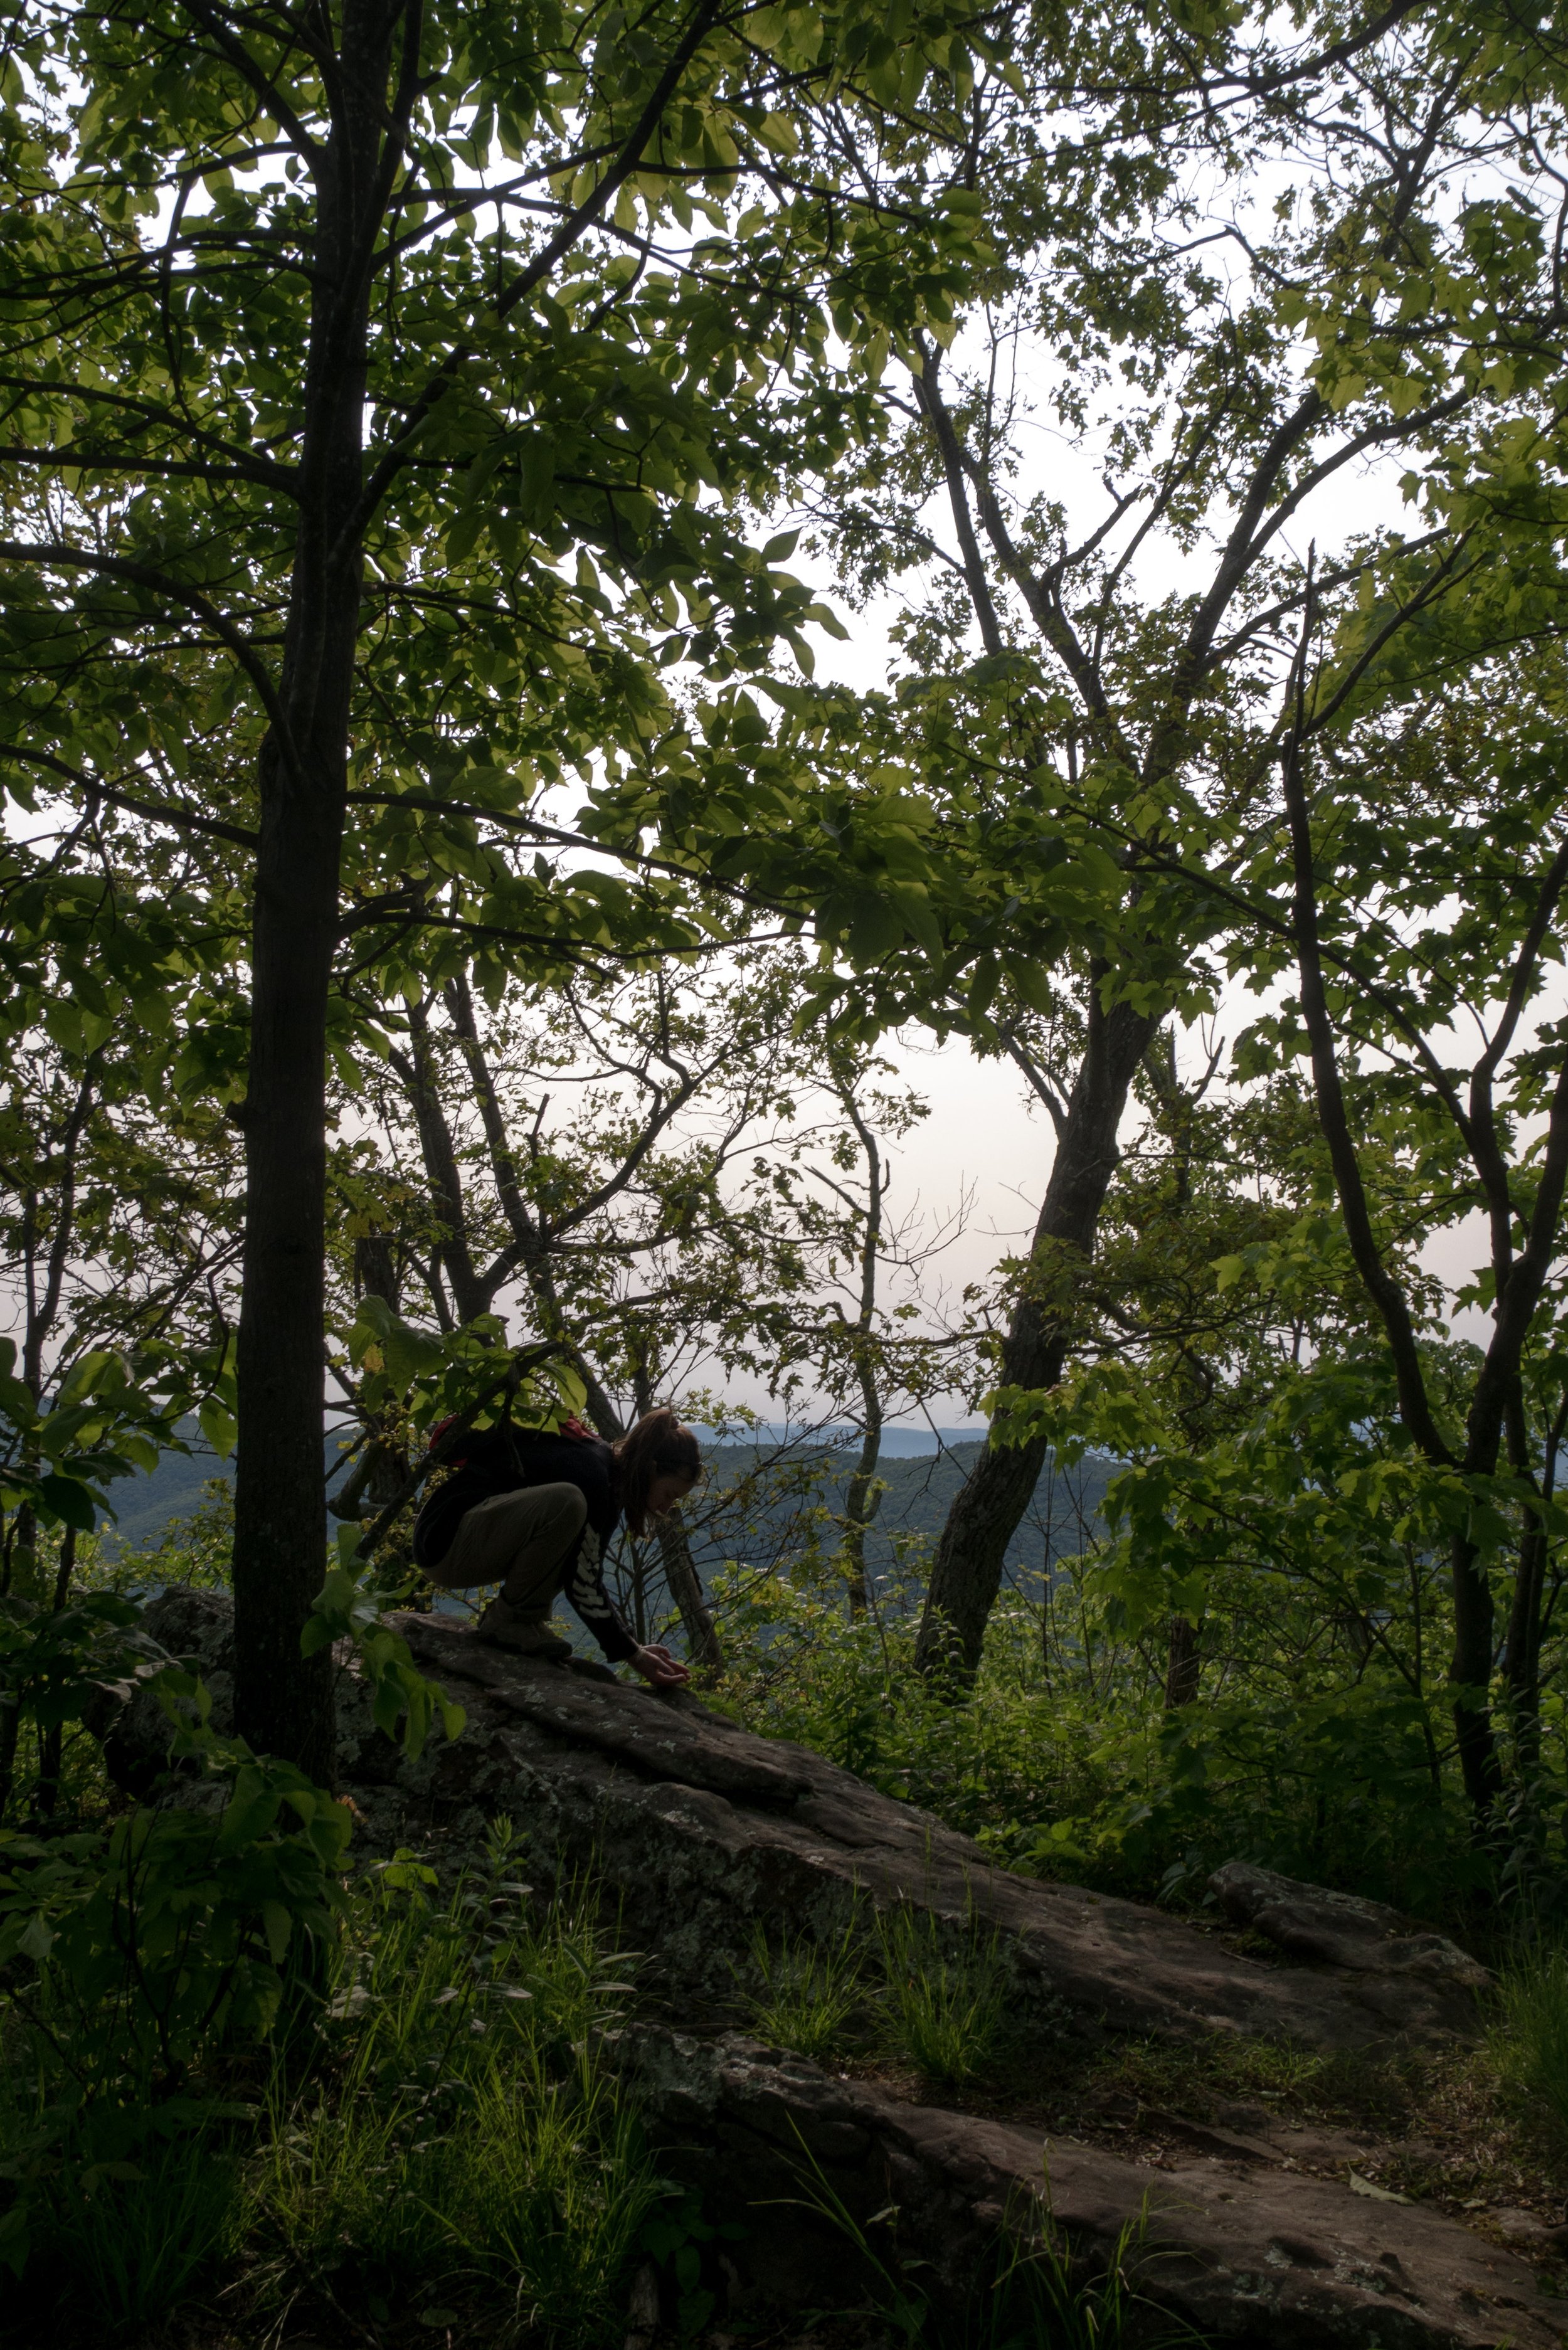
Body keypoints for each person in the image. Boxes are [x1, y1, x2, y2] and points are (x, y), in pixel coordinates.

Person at [412, 1405, 700, 1687]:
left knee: (571, 1523)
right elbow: (583, 1584)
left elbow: (584, 1571)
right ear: (651, 1469)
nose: (666, 1507)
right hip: (445, 1541)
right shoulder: (592, 1475)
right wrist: (633, 1654)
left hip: (453, 1540)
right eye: (669, 1494)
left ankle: (523, 1619)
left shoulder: (605, 1476)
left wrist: (631, 1648)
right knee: (567, 1501)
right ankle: (511, 1620)